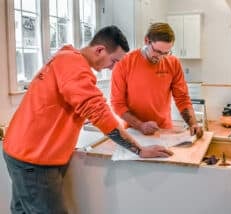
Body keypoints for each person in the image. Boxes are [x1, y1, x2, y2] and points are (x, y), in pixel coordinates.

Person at [2, 25, 173, 214]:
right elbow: (98, 112)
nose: (113, 67)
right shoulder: (74, 65)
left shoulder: (66, 58)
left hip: (18, 150)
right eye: (114, 61)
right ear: (100, 50)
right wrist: (139, 150)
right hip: (34, 159)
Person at [111, 22, 203, 138]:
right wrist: (140, 125)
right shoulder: (124, 63)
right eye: (158, 52)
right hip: (134, 132)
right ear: (147, 41)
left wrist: (193, 123)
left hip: (164, 130)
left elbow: (182, 98)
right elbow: (117, 104)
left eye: (166, 53)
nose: (160, 57)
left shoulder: (173, 63)